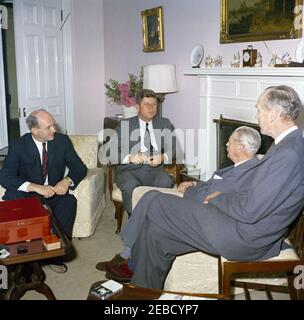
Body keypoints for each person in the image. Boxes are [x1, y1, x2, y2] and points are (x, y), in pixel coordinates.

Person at [110, 85, 304, 289]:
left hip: (244, 236)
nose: (257, 115)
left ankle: (128, 258)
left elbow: (250, 209)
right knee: (157, 234)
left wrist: (217, 196)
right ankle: (142, 291)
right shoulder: (287, 145)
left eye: (259, 110)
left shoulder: (289, 153)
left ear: (273, 114)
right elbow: (257, 192)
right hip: (241, 225)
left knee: (156, 201)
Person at [97, 126, 262, 280]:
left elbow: (211, 197)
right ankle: (128, 257)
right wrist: (196, 183)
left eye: (231, 141)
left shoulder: (246, 172)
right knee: (150, 197)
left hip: (203, 212)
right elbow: (215, 186)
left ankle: (126, 257)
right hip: (198, 198)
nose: (226, 143)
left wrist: (190, 190)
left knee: (153, 199)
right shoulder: (239, 166)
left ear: (240, 148)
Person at [0, 109, 87, 240]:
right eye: (48, 127)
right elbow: (5, 176)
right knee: (12, 196)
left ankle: (58, 245)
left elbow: (79, 167)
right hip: (28, 195)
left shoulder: (62, 141)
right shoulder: (18, 145)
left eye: (54, 124)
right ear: (35, 131)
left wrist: (67, 181)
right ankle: (26, 246)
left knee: (69, 202)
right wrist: (35, 187)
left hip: (54, 192)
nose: (54, 129)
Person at [104, 88, 175, 216]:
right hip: (129, 171)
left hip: (155, 171)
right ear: (137, 107)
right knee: (130, 185)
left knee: (165, 181)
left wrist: (163, 157)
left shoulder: (164, 123)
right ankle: (135, 220)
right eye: (146, 104)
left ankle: (157, 218)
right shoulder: (126, 124)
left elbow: (174, 150)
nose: (151, 108)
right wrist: (129, 157)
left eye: (154, 104)